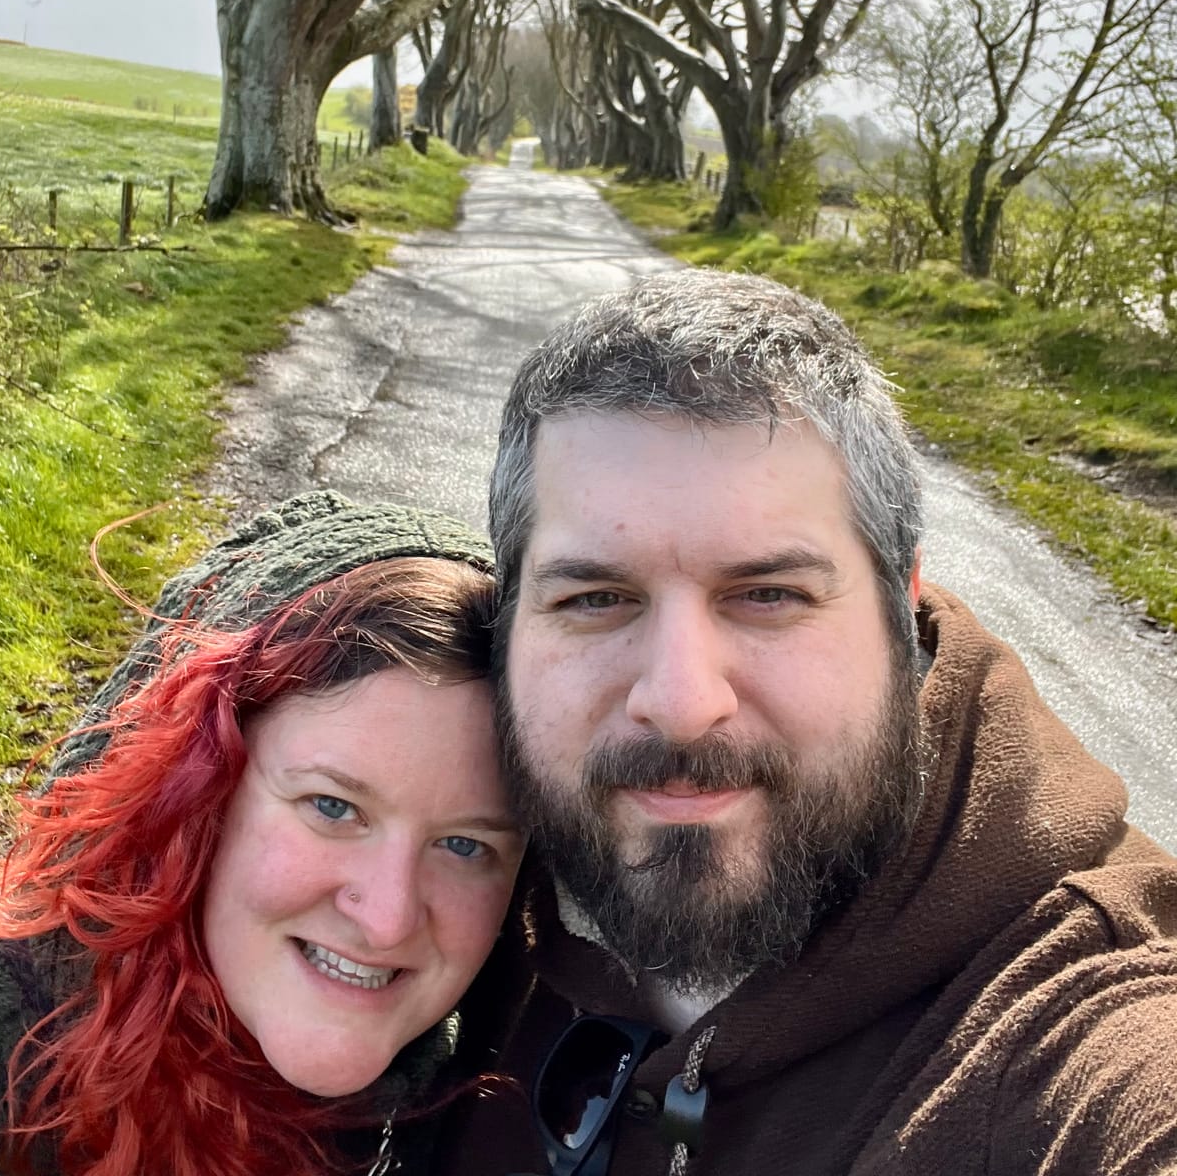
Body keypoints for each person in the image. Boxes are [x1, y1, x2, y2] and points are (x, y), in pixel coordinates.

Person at [432, 270, 1177, 1176]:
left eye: (769, 595)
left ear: (900, 609)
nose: (678, 699)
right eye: (595, 598)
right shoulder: (428, 879)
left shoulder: (1080, 1015)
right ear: (509, 619)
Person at [0, 491, 525, 1176]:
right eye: (331, 807)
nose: (387, 920)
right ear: (192, 794)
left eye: (465, 845)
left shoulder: (508, 1102)